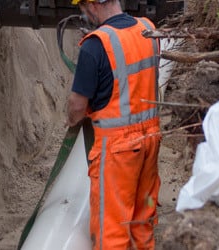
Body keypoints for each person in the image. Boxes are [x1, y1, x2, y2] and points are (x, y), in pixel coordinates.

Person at [65, 0, 161, 248]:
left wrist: (73, 120)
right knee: (143, 219)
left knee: (112, 229)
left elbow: (77, 105)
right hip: (150, 140)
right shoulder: (148, 29)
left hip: (118, 151)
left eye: (83, 7)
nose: (84, 14)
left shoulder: (96, 45)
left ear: (93, 4)